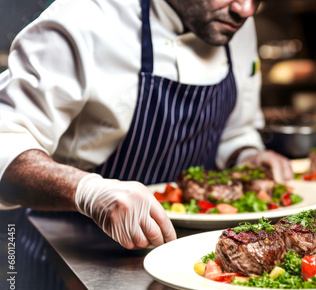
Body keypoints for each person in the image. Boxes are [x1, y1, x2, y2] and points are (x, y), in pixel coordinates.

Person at [0, 0, 294, 249]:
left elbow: (235, 128)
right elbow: (6, 143)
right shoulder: (85, 18)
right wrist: (89, 193)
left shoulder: (234, 23)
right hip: (72, 250)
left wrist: (245, 155)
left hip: (190, 251)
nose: (245, 10)